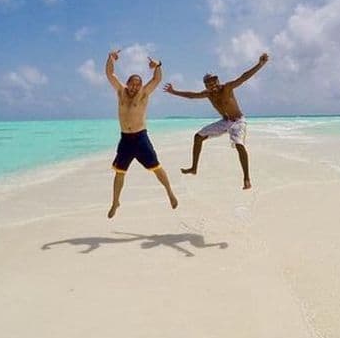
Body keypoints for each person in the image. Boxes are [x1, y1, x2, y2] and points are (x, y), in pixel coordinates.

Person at [164, 53, 269, 190]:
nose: (212, 85)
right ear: (206, 86)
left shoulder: (227, 88)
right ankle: (194, 168)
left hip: (238, 121)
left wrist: (260, 64)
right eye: (208, 83)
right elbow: (192, 96)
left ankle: (246, 178)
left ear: (218, 81)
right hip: (224, 121)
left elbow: (244, 77)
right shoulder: (208, 94)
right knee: (198, 137)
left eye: (214, 81)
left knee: (238, 144)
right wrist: (173, 91)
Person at [105, 49, 178, 219]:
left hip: (140, 138)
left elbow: (157, 79)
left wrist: (157, 65)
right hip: (125, 140)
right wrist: (110, 58)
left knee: (156, 167)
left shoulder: (144, 93)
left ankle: (170, 192)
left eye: (138, 84)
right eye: (132, 84)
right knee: (119, 172)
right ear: (127, 83)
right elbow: (109, 73)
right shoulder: (121, 91)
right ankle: (115, 202)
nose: (135, 87)